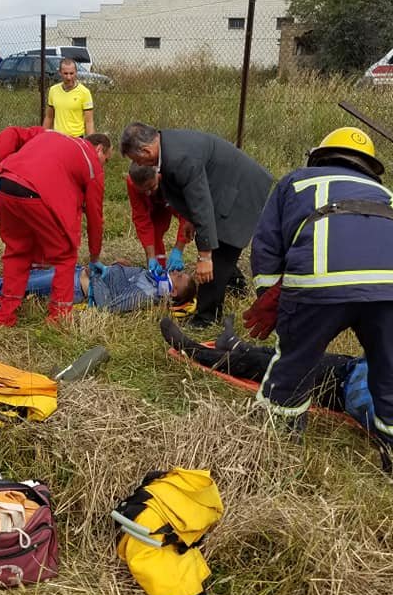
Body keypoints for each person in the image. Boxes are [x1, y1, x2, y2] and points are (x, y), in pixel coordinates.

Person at [247, 126, 393, 469]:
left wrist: (269, 294)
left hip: (320, 286)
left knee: (295, 363)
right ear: (368, 165)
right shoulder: (385, 194)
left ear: (321, 155)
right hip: (387, 290)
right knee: (389, 372)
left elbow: (267, 243)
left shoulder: (296, 182)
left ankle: (278, 442)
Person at [120, 122, 272, 328]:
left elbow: (201, 204)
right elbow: (192, 191)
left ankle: (205, 319)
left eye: (137, 159)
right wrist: (190, 220)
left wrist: (205, 255)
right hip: (224, 186)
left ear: (146, 150)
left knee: (219, 253)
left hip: (239, 190)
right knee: (216, 245)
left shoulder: (179, 158)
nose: (138, 163)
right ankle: (235, 286)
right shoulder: (166, 146)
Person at [160, 315, 378, 437]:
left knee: (261, 366)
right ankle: (234, 344)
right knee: (285, 353)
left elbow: (364, 404)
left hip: (339, 387)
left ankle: (191, 349)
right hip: (349, 365)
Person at [0, 128, 111, 325]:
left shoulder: (51, 134)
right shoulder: (92, 163)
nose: (104, 166)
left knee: (17, 252)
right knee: (65, 256)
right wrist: (94, 256)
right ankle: (59, 317)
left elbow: (13, 132)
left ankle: (5, 316)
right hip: (35, 193)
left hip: (5, 186)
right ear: (100, 149)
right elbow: (95, 219)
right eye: (107, 160)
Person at [0, 263, 197, 314]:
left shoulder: (146, 295)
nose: (176, 271)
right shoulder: (149, 278)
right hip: (76, 272)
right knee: (24, 274)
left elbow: (108, 307)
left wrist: (95, 279)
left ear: (172, 292)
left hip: (77, 286)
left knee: (20, 286)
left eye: (180, 276)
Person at [126, 163, 191, 274]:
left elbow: (187, 215)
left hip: (171, 195)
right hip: (155, 204)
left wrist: (178, 250)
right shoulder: (132, 183)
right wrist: (151, 257)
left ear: (157, 173)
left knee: (197, 224)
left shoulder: (173, 175)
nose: (148, 193)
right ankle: (158, 271)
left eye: (151, 187)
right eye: (143, 191)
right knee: (155, 232)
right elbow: (142, 220)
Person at [42, 59, 94, 137]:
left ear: (76, 72)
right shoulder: (53, 90)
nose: (69, 77)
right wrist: (42, 136)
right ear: (60, 73)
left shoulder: (84, 92)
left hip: (76, 138)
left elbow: (89, 122)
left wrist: (92, 144)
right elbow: (49, 117)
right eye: (65, 73)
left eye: (71, 73)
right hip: (58, 137)